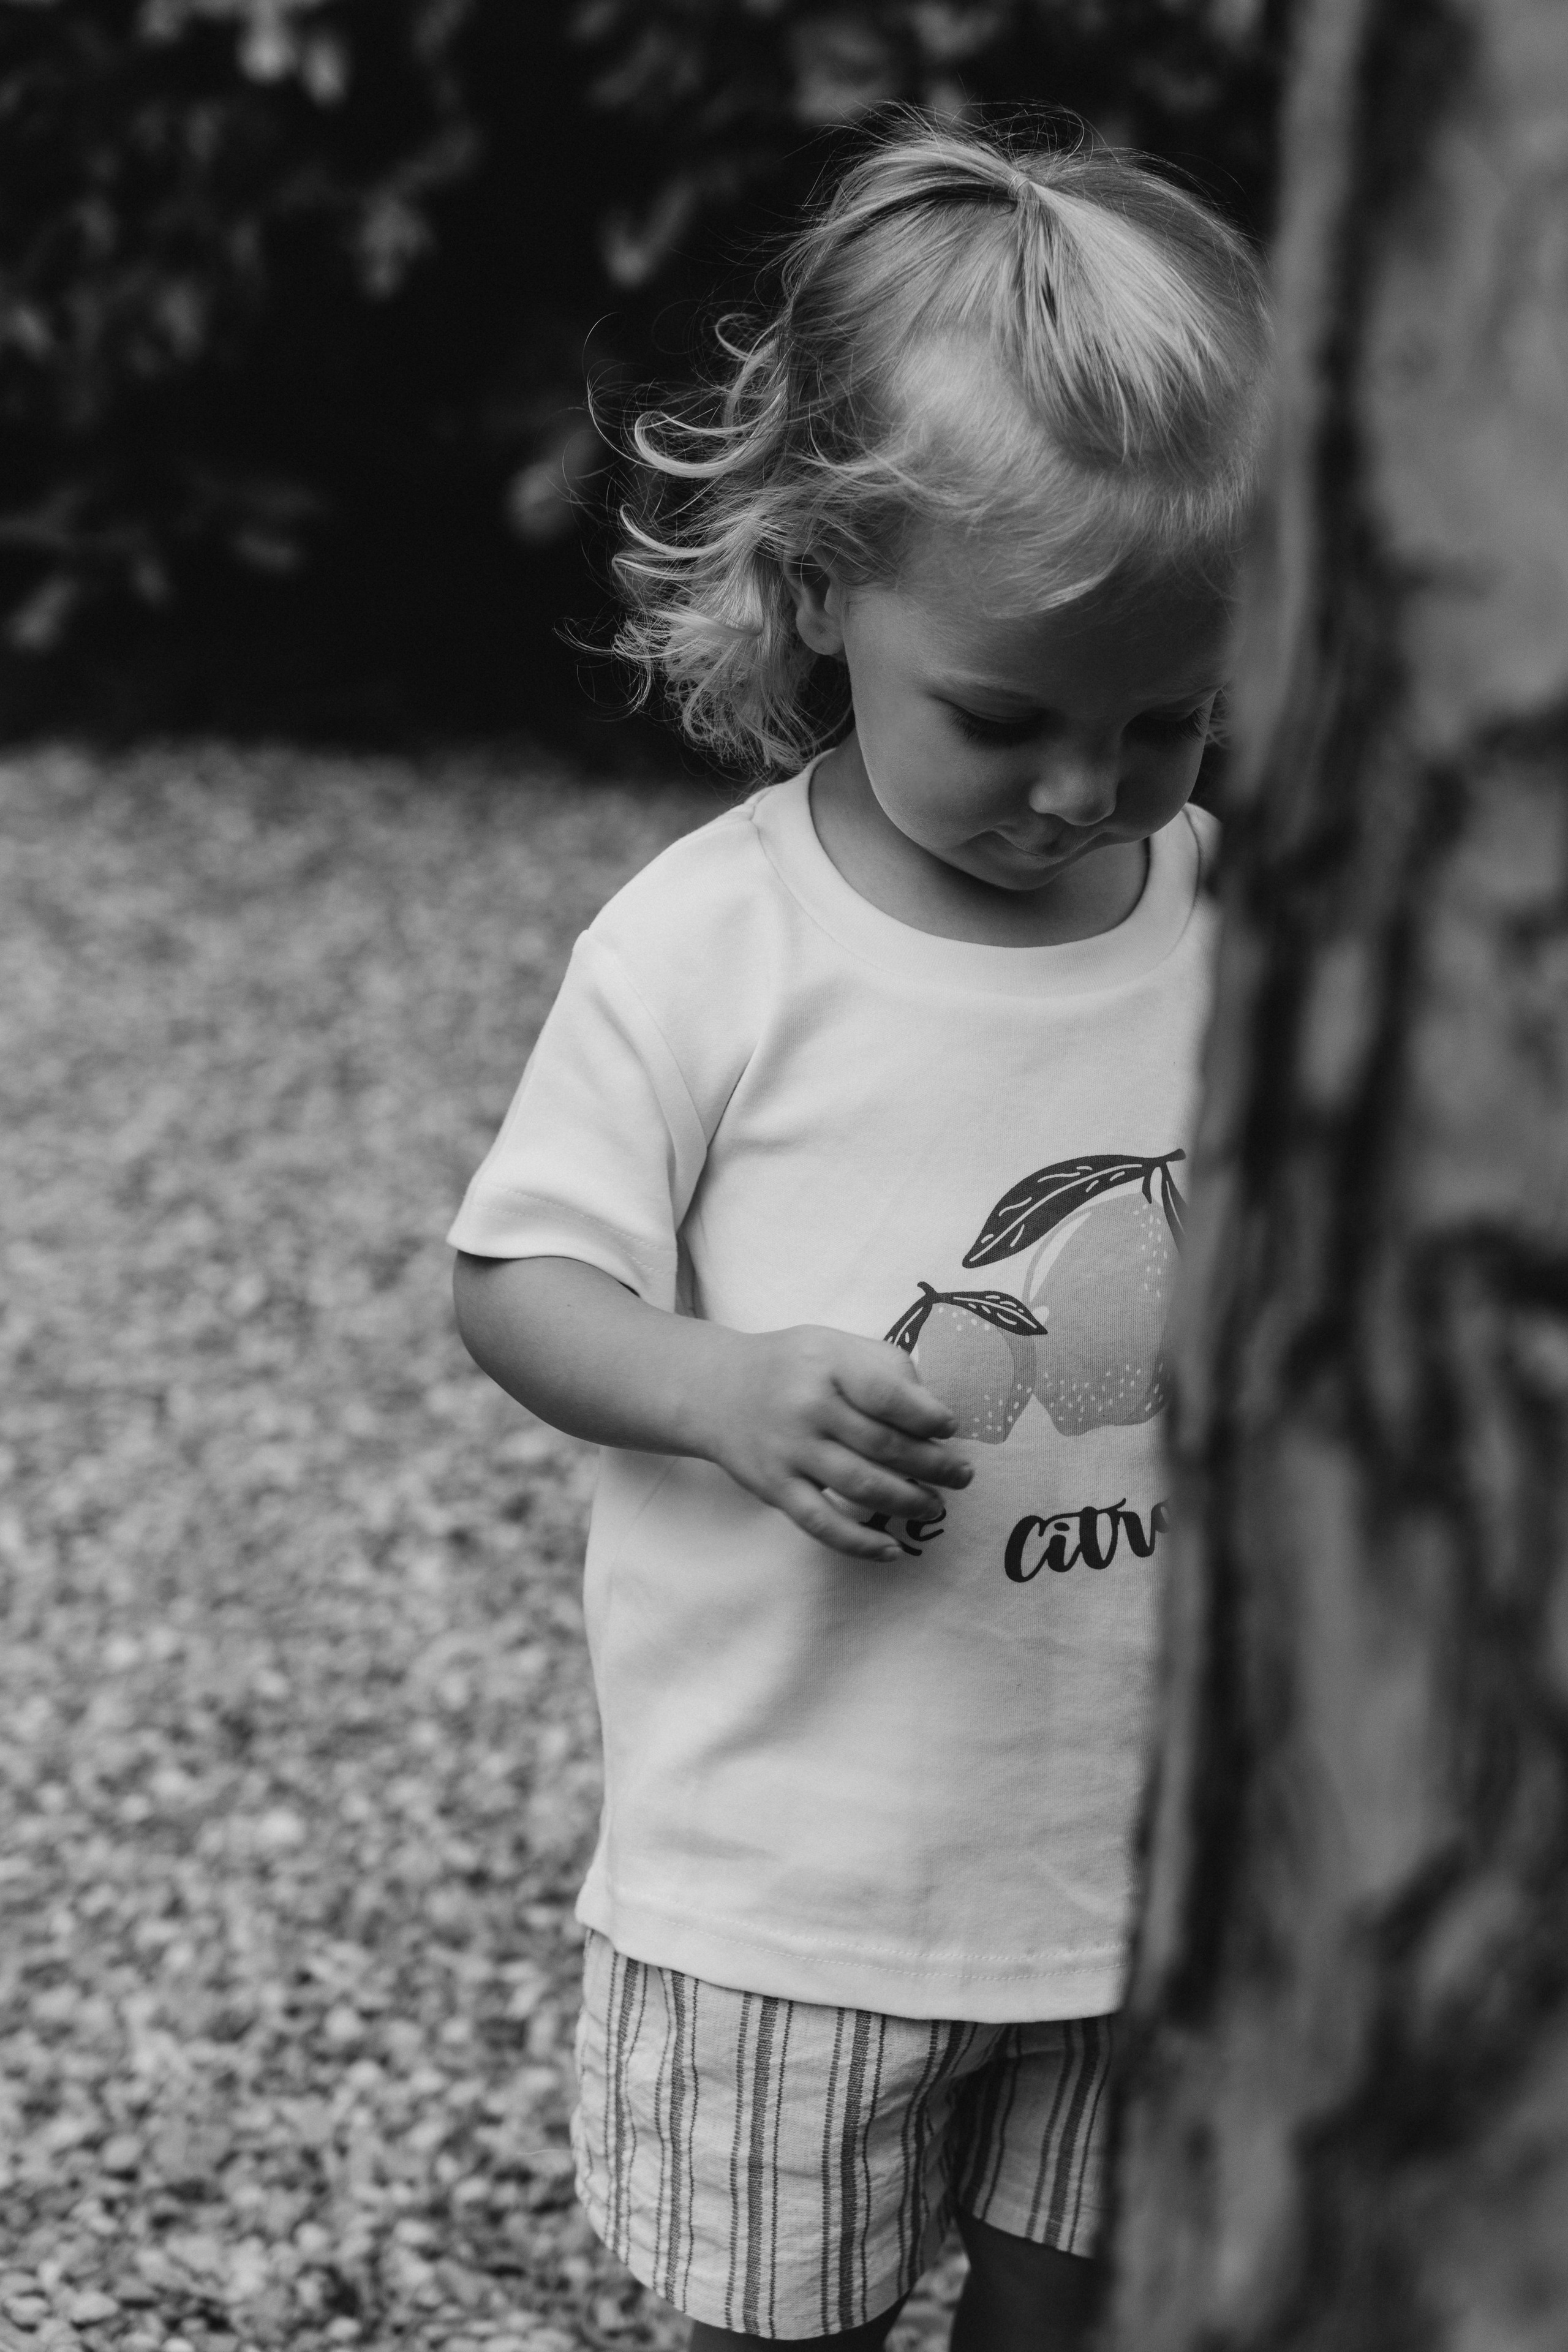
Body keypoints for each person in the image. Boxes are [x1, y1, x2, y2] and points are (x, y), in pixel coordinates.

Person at [450, 113, 1269, 2352]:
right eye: (1004, 718)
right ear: (820, 584)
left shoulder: (1239, 929)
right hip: (796, 1875)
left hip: (1142, 1857)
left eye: (1166, 720)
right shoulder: (716, 948)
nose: (1088, 792)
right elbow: (514, 1280)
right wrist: (717, 1389)